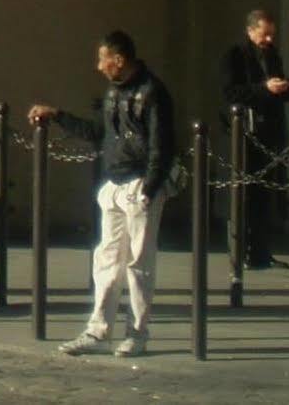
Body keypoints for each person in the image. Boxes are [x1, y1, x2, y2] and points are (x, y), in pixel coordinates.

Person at [29, 30, 178, 359]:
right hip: (114, 183)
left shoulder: (152, 92)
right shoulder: (114, 92)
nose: (99, 66)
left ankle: (137, 332)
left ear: (119, 60)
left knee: (139, 263)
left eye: (103, 59)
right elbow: (99, 132)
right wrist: (57, 116)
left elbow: (162, 144)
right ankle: (98, 329)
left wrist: (150, 188)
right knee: (107, 259)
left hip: (139, 184)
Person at [219, 8, 289, 269]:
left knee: (266, 194)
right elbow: (231, 92)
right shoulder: (235, 56)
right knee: (245, 193)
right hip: (246, 135)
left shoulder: (272, 55)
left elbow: (279, 92)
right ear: (250, 31)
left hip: (270, 133)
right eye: (264, 35)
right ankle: (242, 250)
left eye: (271, 35)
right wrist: (264, 88)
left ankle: (261, 251)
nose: (268, 40)